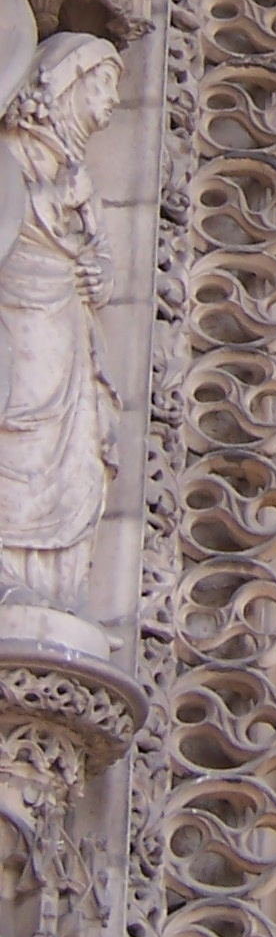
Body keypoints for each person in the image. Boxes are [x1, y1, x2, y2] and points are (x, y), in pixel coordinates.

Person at [0, 36, 123, 614]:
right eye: (103, 84)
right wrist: (55, 197)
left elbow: (97, 252)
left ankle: (56, 590)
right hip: (23, 312)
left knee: (78, 452)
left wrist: (99, 274)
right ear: (69, 84)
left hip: (69, 327)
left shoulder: (77, 171)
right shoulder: (20, 152)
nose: (113, 101)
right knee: (21, 436)